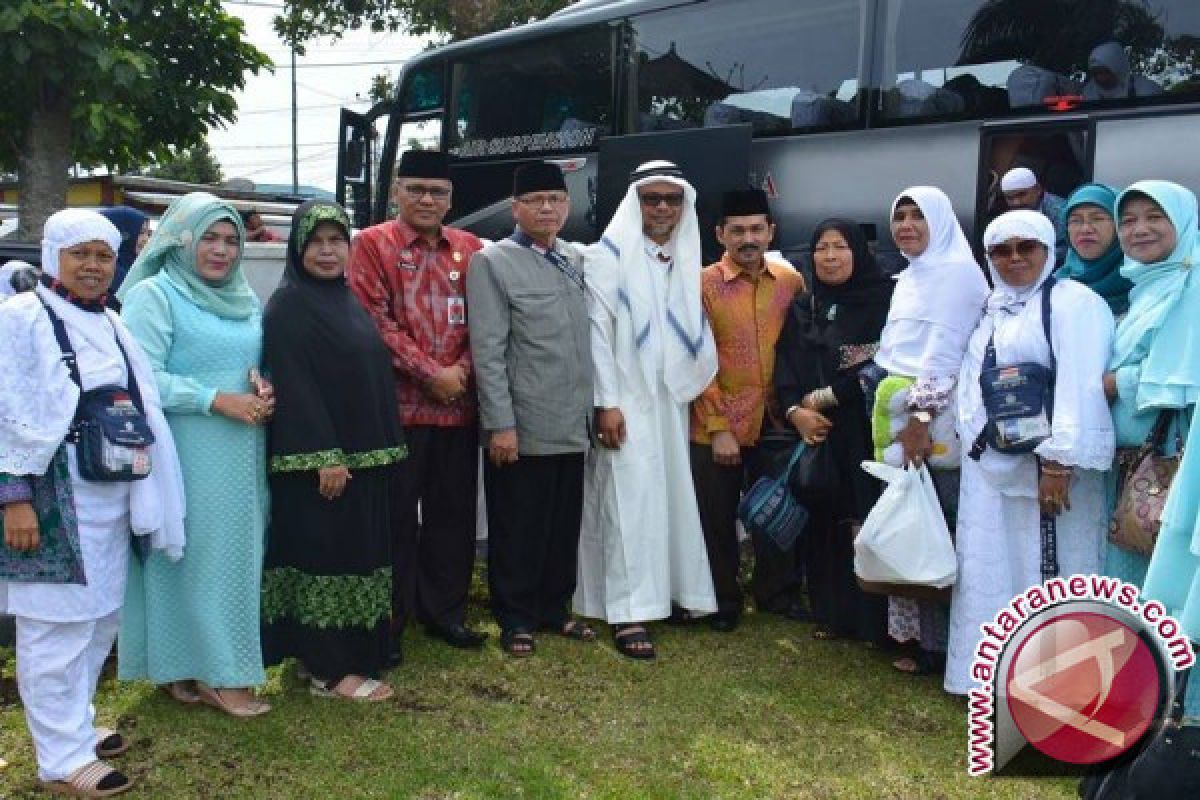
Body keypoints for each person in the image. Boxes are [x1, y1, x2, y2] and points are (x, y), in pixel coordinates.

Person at [0, 209, 184, 797]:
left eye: (104, 256)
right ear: (54, 254)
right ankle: (60, 759)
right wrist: (14, 499)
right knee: (54, 628)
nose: (93, 266)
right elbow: (6, 411)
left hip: (110, 496)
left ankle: (73, 729)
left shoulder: (110, 319)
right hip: (53, 500)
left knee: (99, 618)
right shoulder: (21, 317)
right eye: (80, 253)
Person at [943, 210, 1115, 695]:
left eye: (1026, 247)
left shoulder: (1073, 304)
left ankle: (1063, 687)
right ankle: (995, 679)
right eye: (1001, 250)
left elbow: (1082, 384)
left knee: (1055, 570)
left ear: (1047, 250)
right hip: (992, 471)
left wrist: (1058, 462)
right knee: (994, 567)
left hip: (1050, 475)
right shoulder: (993, 308)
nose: (1014, 258)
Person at [116, 192, 274, 717]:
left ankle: (183, 665)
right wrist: (214, 399)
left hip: (241, 449)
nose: (223, 251)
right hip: (184, 450)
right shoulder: (156, 295)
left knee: (233, 555)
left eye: (232, 240)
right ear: (181, 240)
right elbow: (140, 378)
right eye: (209, 237)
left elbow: (248, 360)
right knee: (190, 556)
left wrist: (262, 386)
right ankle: (220, 674)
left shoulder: (243, 297)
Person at [260, 200, 406, 702]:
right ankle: (330, 670)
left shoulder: (342, 298)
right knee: (325, 560)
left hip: (359, 462)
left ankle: (327, 657)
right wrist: (325, 454)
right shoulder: (289, 306)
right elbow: (297, 385)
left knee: (353, 557)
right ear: (298, 247)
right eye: (316, 241)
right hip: (325, 467)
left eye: (336, 240)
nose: (327, 251)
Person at [576, 160, 718, 659]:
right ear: (634, 202)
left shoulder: (682, 259)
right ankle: (628, 610)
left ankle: (674, 594)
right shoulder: (607, 258)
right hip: (625, 402)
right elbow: (596, 334)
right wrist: (606, 403)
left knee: (670, 499)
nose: (662, 208)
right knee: (627, 501)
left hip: (670, 402)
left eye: (672, 199)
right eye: (652, 198)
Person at [347, 149, 487, 652]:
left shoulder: (471, 248)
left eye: (438, 192)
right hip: (396, 410)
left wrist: (462, 372)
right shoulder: (369, 245)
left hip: (457, 409)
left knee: (453, 518)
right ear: (396, 192)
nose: (428, 199)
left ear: (451, 199)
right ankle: (389, 619)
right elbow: (372, 321)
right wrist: (433, 374)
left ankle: (444, 613)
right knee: (395, 518)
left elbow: (487, 325)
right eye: (417, 189)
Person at [466, 161, 594, 657]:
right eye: (536, 199)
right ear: (515, 207)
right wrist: (500, 424)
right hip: (522, 424)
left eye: (556, 199)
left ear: (568, 206)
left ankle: (554, 610)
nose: (547, 208)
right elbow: (488, 351)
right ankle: (515, 616)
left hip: (573, 420)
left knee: (563, 524)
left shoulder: (575, 258)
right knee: (518, 524)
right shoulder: (493, 262)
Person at [872, 186, 990, 676]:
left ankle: (942, 644)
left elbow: (945, 353)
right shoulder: (912, 274)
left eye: (918, 216)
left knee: (937, 520)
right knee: (904, 516)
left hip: (932, 418)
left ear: (940, 221)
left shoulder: (958, 274)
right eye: (899, 215)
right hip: (894, 408)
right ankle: (910, 636)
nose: (906, 225)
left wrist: (920, 421)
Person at [774, 218, 895, 644]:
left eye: (840, 246)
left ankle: (875, 622)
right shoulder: (804, 305)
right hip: (818, 435)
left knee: (867, 518)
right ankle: (832, 612)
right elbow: (785, 366)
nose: (829, 256)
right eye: (821, 247)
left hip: (868, 431)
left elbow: (889, 365)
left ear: (859, 252)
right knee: (825, 518)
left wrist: (826, 397)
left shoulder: (887, 301)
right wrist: (796, 413)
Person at [689, 189, 805, 632]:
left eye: (757, 229)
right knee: (715, 518)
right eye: (737, 230)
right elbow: (695, 360)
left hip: (774, 421)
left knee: (776, 510)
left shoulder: (789, 282)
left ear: (771, 232)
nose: (748, 238)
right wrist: (718, 427)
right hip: (715, 423)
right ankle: (721, 598)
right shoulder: (699, 285)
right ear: (720, 234)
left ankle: (776, 593)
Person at [1104, 181, 1200, 588]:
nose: (1139, 229)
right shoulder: (1146, 285)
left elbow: (1186, 370)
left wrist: (1115, 382)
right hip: (1135, 464)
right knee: (1131, 574)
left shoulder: (1192, 285)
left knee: (1163, 580)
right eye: (1127, 221)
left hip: (1174, 464)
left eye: (1155, 217)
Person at [1056, 183, 1131, 317]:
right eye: (1075, 221)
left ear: (1119, 224)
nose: (1085, 229)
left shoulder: (1145, 286)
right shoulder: (1055, 287)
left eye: (1097, 219)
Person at [1000, 167, 1067, 262]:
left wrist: (1032, 256)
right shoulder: (1012, 214)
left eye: (1021, 194)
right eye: (1010, 198)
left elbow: (1067, 249)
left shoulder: (1060, 211)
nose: (1016, 202)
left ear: (1038, 190)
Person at [1082, 41, 1163, 102]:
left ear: (1119, 69)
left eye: (1105, 72)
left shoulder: (1147, 91)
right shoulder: (1088, 93)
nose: (1100, 78)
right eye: (1095, 74)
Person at [97, 206, 150, 292]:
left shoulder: (136, 268)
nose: (146, 239)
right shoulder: (113, 275)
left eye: (149, 233)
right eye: (141, 233)